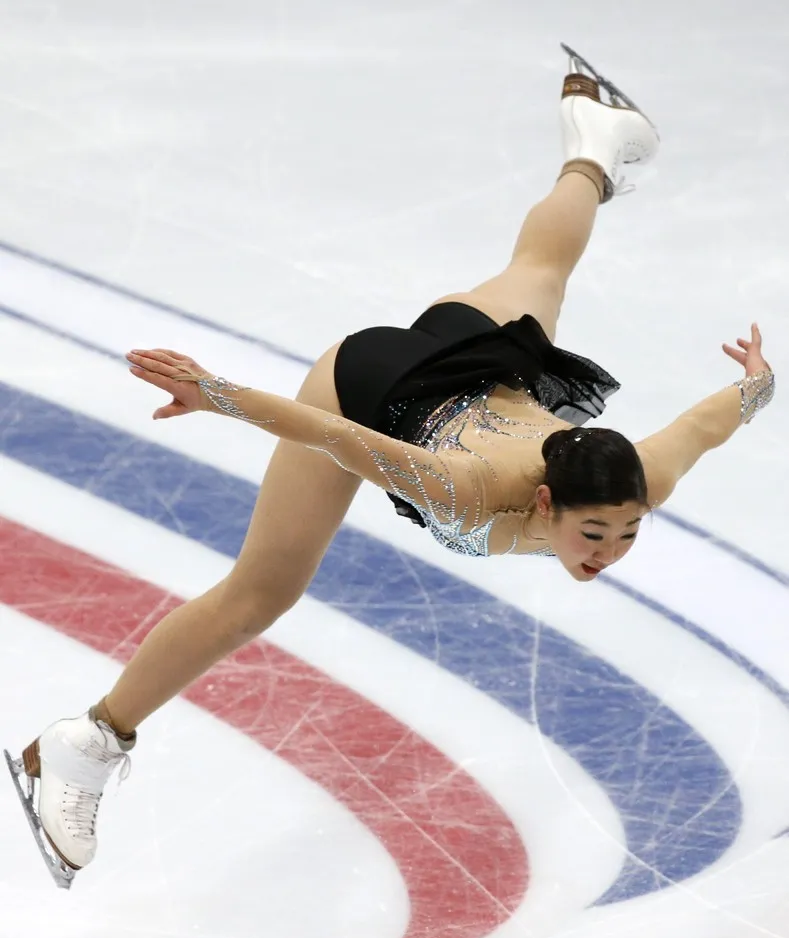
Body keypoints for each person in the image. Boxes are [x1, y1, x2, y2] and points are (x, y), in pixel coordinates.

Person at [6, 45, 774, 888]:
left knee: (539, 272)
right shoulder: (469, 490)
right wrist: (217, 392)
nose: (611, 547)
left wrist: (757, 383)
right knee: (263, 591)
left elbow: (711, 421)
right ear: (546, 502)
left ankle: (594, 137)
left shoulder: (637, 474)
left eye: (628, 532)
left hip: (481, 366)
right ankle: (88, 744)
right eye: (595, 531)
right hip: (364, 389)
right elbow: (341, 441)